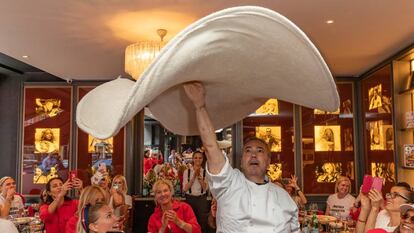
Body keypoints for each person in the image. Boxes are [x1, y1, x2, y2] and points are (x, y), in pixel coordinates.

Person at [184, 82, 299, 232]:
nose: (253, 154)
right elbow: (211, 146)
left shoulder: (284, 198)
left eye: (259, 151)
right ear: (241, 161)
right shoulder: (229, 184)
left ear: (269, 161)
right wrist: (199, 106)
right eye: (248, 150)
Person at [182, 151, 209, 232]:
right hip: (190, 198)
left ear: (202, 159)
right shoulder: (187, 172)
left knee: (202, 222)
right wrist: (193, 177)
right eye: (196, 157)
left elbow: (205, 188)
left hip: (202, 199)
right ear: (193, 159)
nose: (198, 159)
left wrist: (199, 176)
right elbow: (185, 189)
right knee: (189, 222)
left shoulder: (205, 172)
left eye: (200, 158)